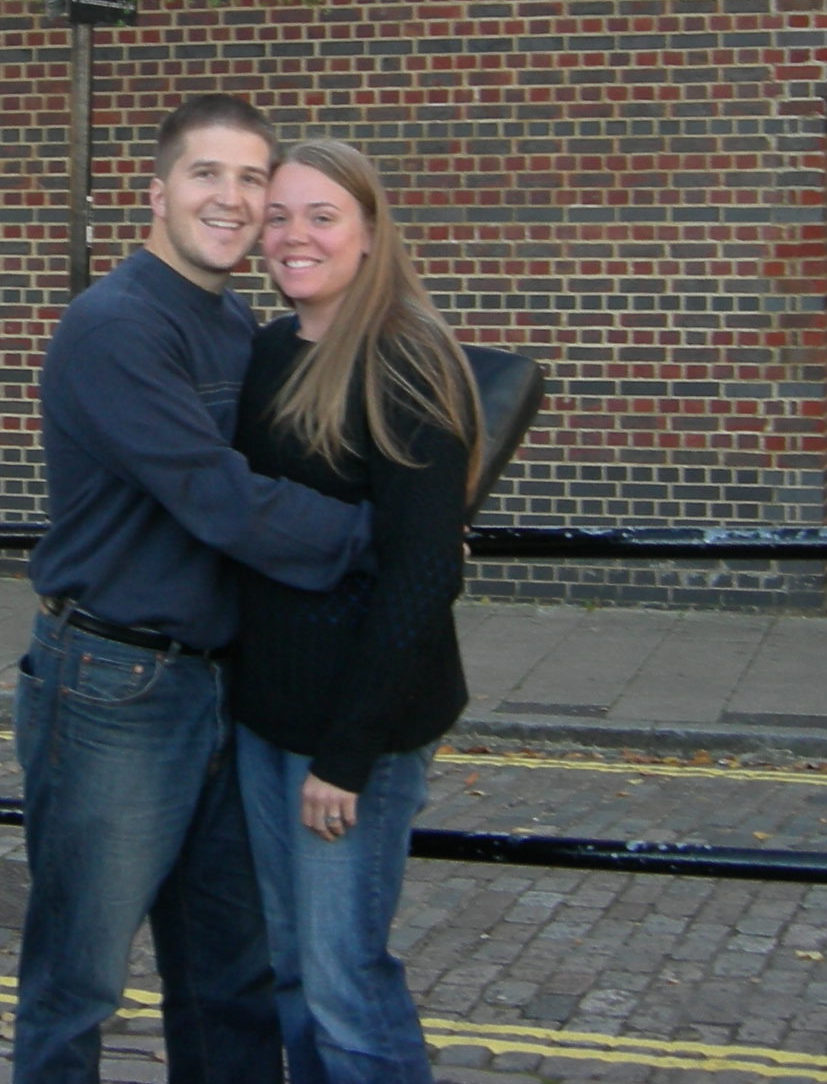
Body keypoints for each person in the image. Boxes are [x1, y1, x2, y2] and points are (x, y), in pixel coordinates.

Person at [15, 95, 376, 1084]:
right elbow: (216, 497)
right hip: (115, 685)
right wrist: (371, 538)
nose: (233, 198)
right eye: (207, 175)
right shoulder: (115, 326)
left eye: (253, 179)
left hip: (224, 687)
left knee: (231, 977)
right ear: (158, 191)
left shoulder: (233, 320)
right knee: (78, 979)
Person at [229, 138, 486, 1084]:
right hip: (266, 717)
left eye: (322, 215)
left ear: (370, 234)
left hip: (352, 734)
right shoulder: (264, 351)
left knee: (345, 980)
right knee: (292, 969)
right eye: (280, 215)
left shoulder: (405, 362)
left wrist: (347, 755)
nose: (295, 235)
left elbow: (422, 578)